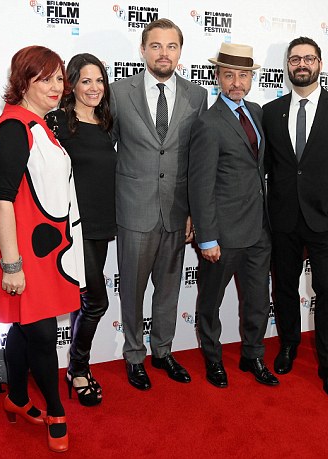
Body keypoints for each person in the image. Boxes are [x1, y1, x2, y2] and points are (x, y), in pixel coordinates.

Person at [0, 45, 84, 453]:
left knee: (25, 327)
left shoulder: (39, 124)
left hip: (41, 248)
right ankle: (56, 411)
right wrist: (12, 264)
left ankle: (17, 398)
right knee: (39, 333)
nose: (57, 86)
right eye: (46, 78)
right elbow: (1, 200)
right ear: (24, 80)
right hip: (19, 251)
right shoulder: (14, 128)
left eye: (60, 78)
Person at [263, 37, 328, 399]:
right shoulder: (271, 111)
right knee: (285, 289)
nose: (301, 64)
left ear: (320, 64)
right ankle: (289, 345)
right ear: (287, 66)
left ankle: (327, 361)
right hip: (284, 219)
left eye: (309, 58)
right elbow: (266, 169)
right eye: (295, 59)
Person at [110, 18, 208, 390]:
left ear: (180, 52)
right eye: (156, 46)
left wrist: (193, 212)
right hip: (134, 211)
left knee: (168, 291)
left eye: (171, 46)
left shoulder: (197, 96)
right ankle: (134, 356)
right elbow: (107, 149)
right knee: (132, 291)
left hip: (176, 212)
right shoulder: (119, 93)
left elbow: (197, 161)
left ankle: (163, 351)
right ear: (143, 50)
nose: (163, 53)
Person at [188, 43, 278, 389]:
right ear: (217, 78)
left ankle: (253, 355)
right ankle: (212, 359)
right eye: (229, 75)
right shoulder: (208, 123)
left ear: (251, 78)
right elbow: (200, 185)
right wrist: (207, 237)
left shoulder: (256, 111)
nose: (236, 82)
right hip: (222, 235)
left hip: (259, 230)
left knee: (257, 301)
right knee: (211, 303)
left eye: (243, 75)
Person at [46, 53, 116, 407]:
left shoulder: (106, 120)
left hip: (102, 224)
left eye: (99, 80)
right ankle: (78, 368)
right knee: (96, 301)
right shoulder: (57, 122)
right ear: (71, 83)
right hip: (74, 227)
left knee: (83, 298)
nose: (94, 88)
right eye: (86, 81)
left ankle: (76, 366)